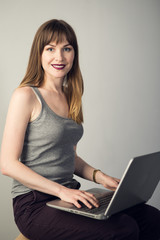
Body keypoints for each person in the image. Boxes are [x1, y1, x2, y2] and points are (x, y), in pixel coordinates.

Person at [0, 19, 160, 240]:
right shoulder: (26, 96)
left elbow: (67, 156)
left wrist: (100, 177)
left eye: (67, 48)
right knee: (124, 230)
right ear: (39, 54)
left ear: (74, 54)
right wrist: (61, 191)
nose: (59, 57)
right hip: (34, 204)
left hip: (69, 196)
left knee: (152, 219)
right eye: (50, 49)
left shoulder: (70, 97)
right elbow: (7, 165)